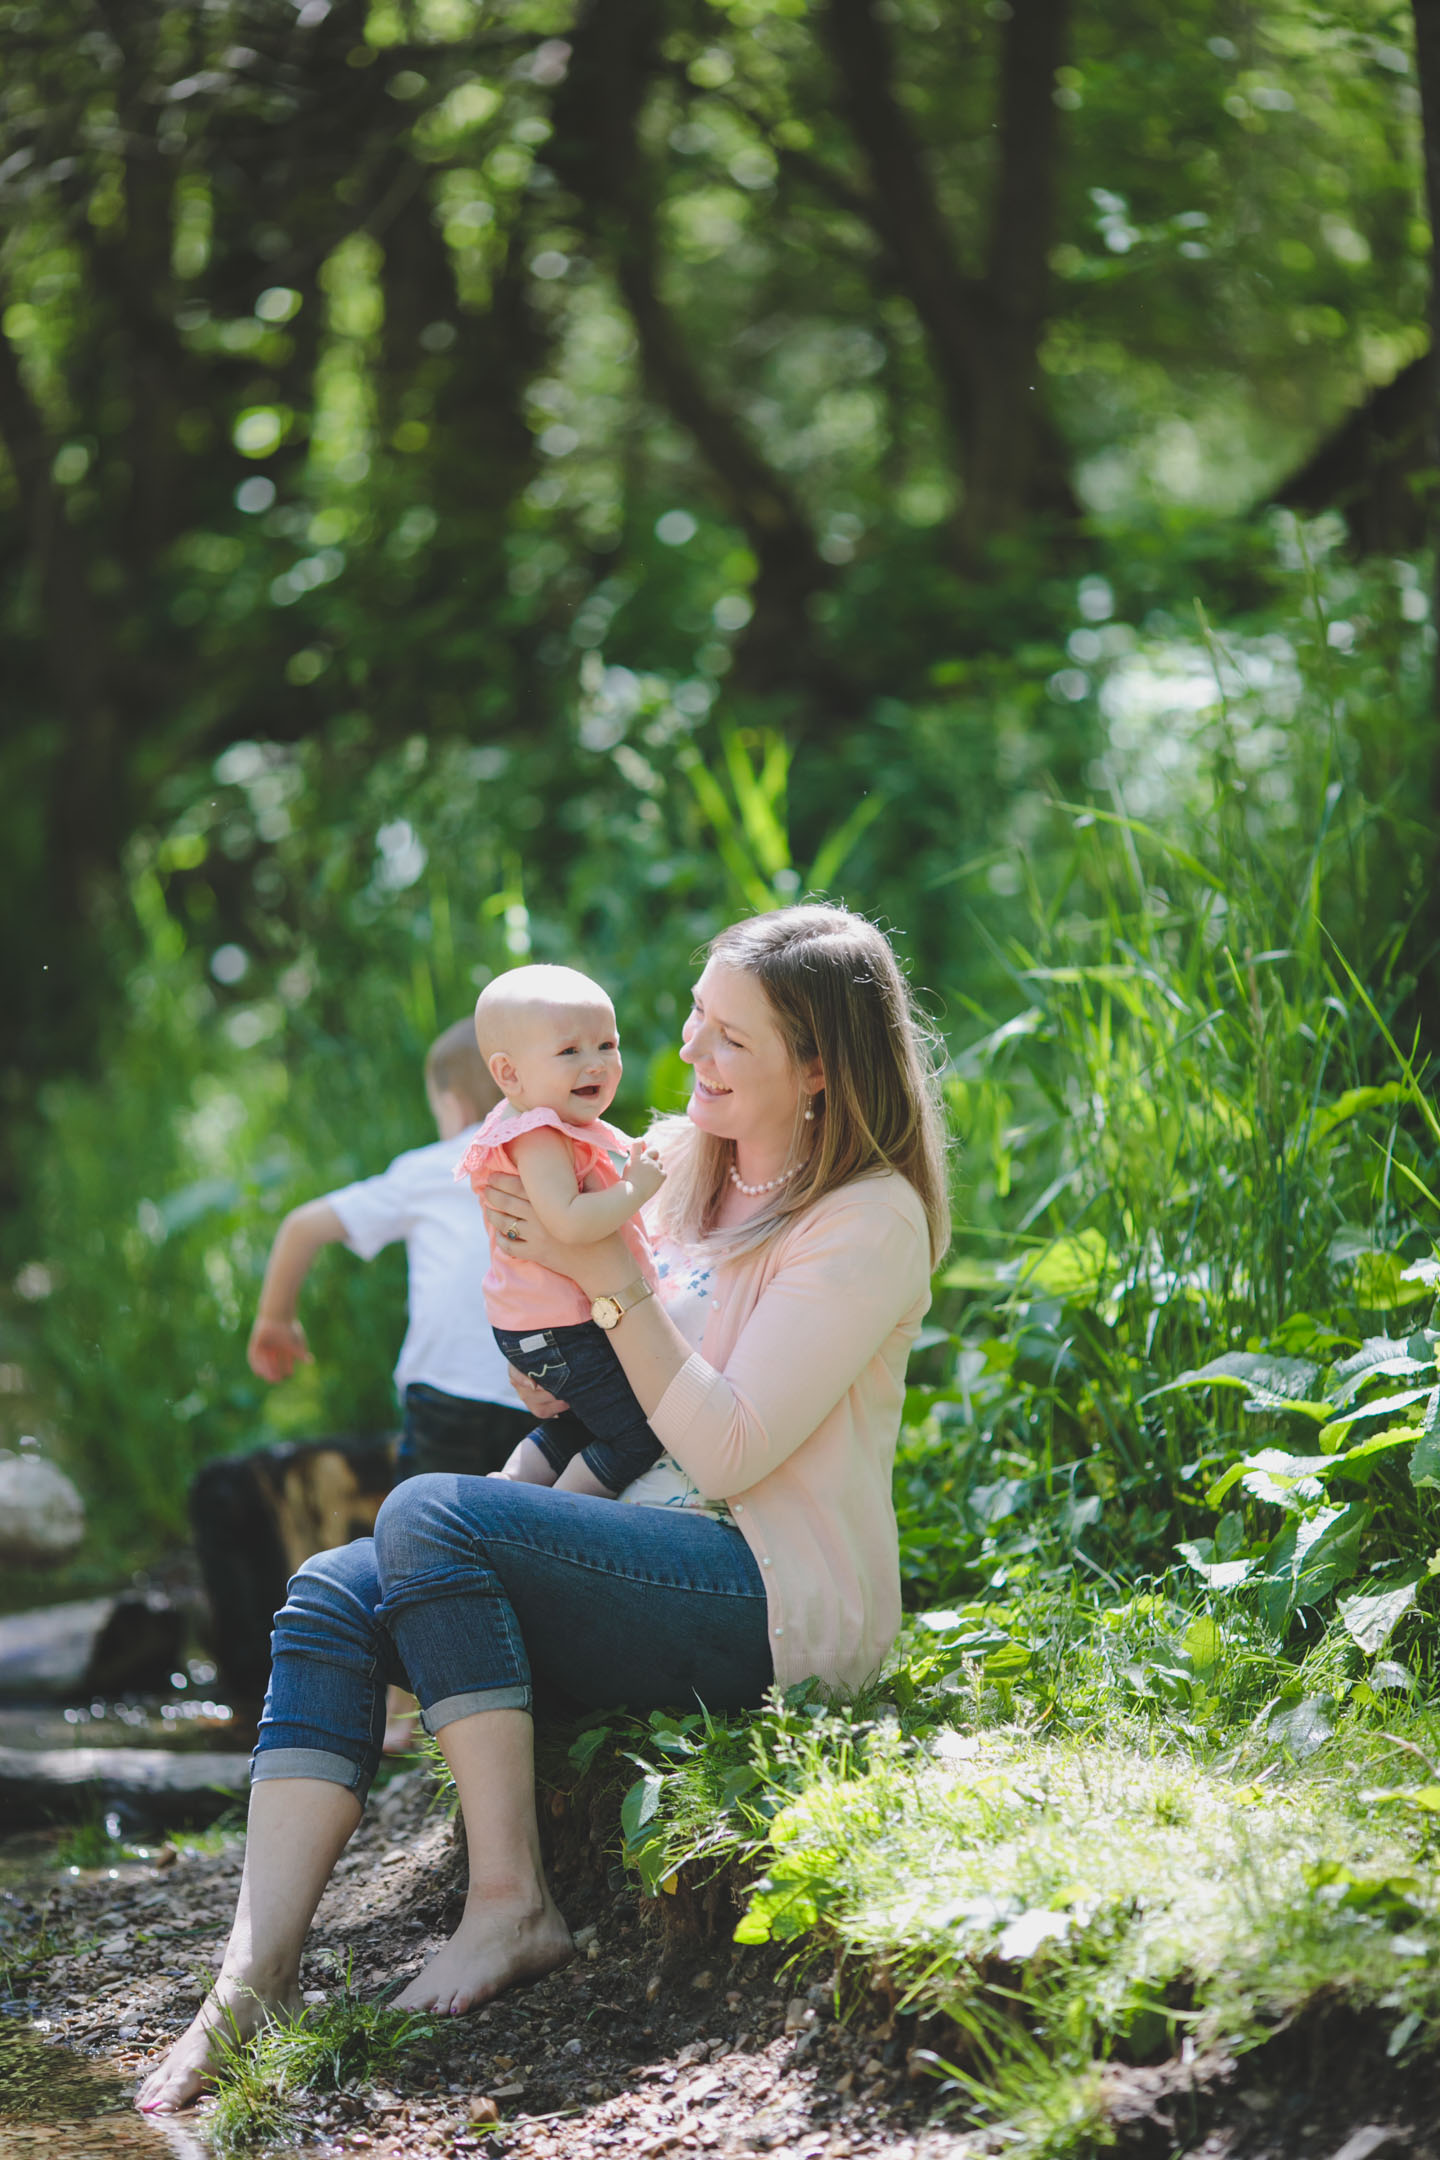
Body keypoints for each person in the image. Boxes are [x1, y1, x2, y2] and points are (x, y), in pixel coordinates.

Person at [136, 903, 950, 2116]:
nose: (687, 1055)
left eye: (728, 1039)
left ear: (820, 1065)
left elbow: (727, 1450)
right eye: (691, 1021)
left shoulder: (865, 1219)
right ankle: (251, 1977)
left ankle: (510, 1904)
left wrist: (610, 1286)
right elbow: (589, 1336)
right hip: (621, 1542)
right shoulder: (672, 1161)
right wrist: (551, 1350)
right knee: (328, 1591)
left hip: (766, 1589)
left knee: (431, 1514)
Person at [246, 1016, 533, 1747]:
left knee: (411, 1552)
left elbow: (302, 1226)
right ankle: (510, 1687)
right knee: (519, 1539)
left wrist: (275, 1320)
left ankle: (405, 1716)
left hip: (444, 1397)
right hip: (541, 1387)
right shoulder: (558, 1165)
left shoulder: (435, 1164)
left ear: (452, 1104)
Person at [460, 962, 667, 1499]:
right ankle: (549, 1517)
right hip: (557, 1326)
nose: (595, 1063)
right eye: (570, 1051)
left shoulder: (534, 1118)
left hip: (543, 1322)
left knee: (580, 1424)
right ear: (509, 1074)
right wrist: (636, 1189)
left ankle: (508, 1490)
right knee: (635, 1438)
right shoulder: (540, 1135)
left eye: (607, 1044)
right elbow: (570, 1224)